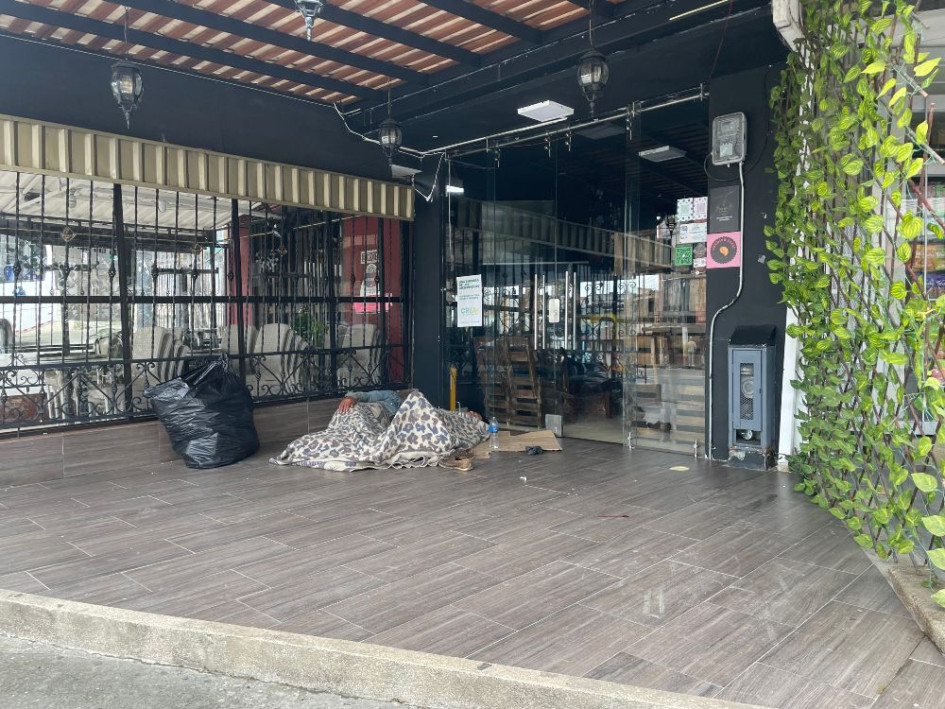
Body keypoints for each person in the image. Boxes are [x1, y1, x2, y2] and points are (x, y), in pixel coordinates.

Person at [336, 389, 482, 421]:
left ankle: (465, 417)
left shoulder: (390, 398)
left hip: (412, 414)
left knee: (435, 415)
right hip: (405, 423)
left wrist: (350, 397)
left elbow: (366, 395)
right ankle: (464, 417)